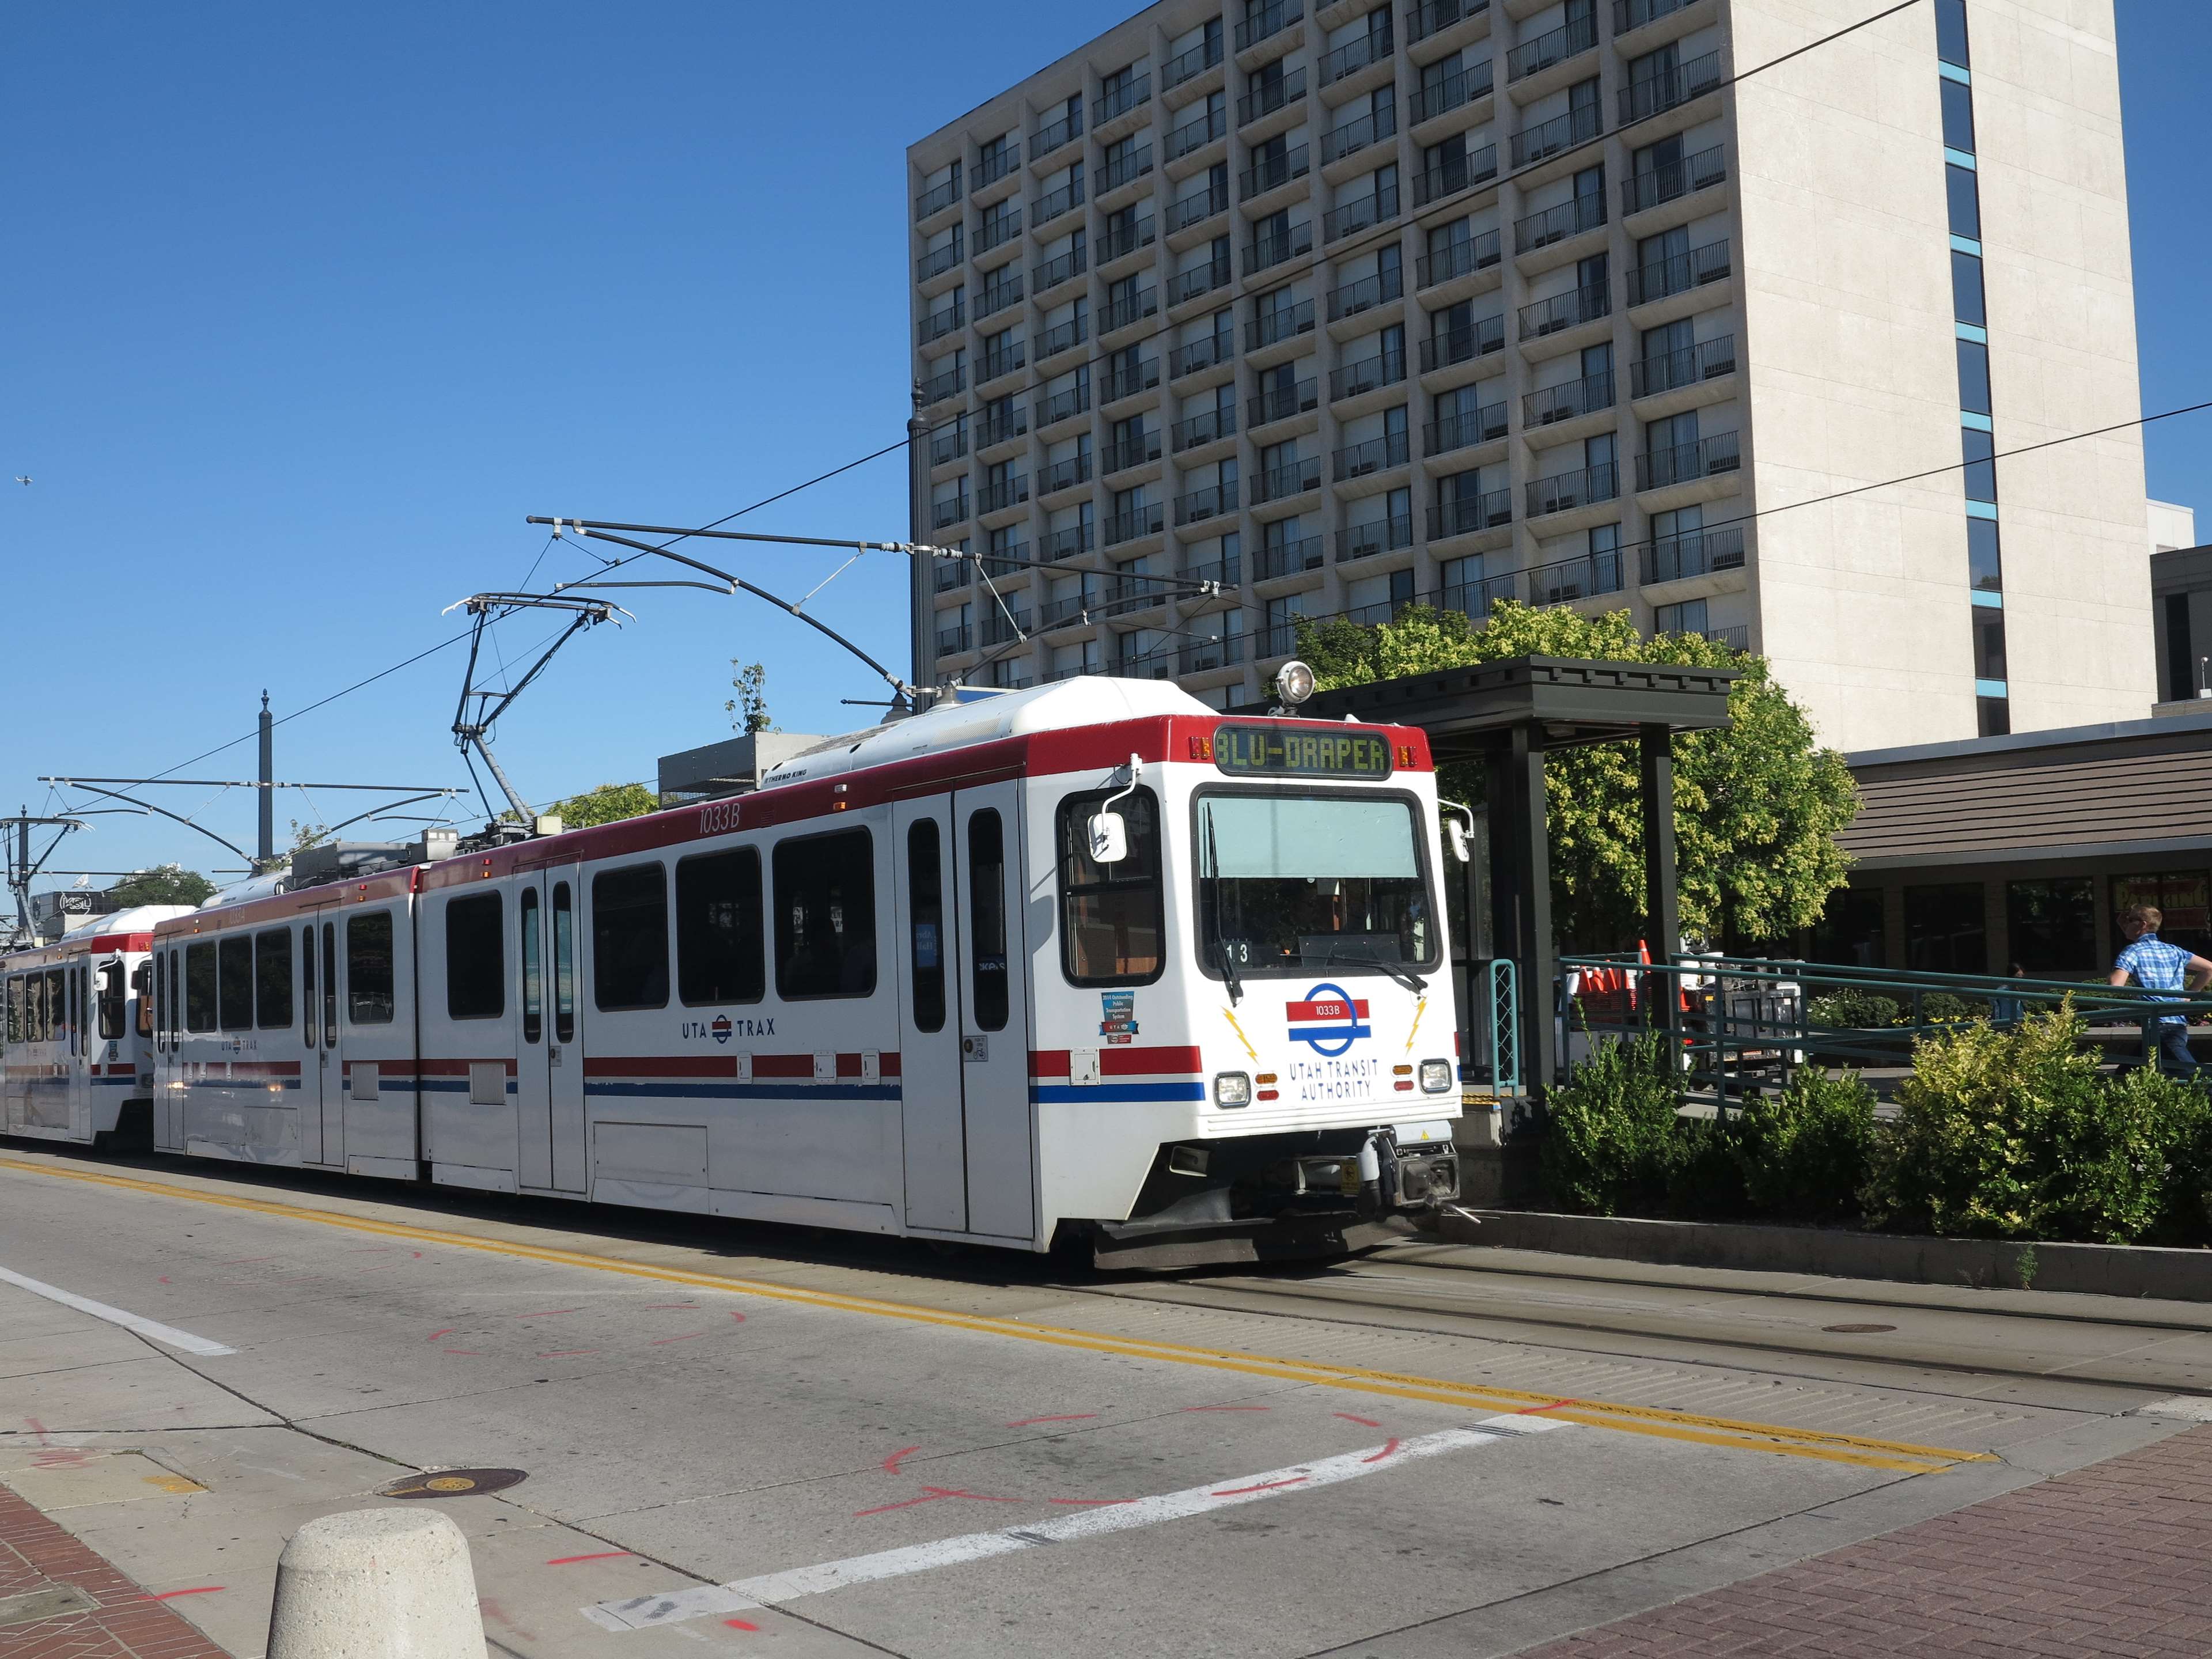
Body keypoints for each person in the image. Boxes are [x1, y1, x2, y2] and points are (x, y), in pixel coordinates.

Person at [2108, 906, 2211, 1076]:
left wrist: (2112, 974)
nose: (2126, 924)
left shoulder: (2132, 952)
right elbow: (2209, 969)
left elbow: (2115, 984)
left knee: (2196, 1080)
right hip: (2175, 1024)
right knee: (2125, 1076)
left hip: (2159, 1027)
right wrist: (2190, 996)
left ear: (2142, 924)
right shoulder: (2174, 950)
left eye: (2129, 920)